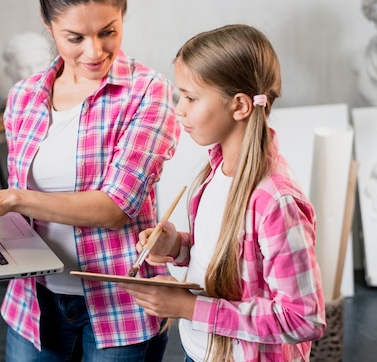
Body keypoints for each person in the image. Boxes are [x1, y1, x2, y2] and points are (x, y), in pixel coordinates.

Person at [0, 0, 181, 360]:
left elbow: (117, 207)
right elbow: (19, 214)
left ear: (123, 17)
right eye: (75, 37)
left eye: (108, 31)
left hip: (121, 307)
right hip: (34, 303)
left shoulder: (149, 92)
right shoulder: (25, 97)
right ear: (48, 25)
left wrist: (12, 198)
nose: (94, 52)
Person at [120, 24, 326, 361]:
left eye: (190, 97)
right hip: (200, 352)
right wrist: (177, 246)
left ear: (240, 106)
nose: (179, 109)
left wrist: (190, 307)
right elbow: (225, 260)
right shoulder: (214, 171)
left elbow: (303, 318)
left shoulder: (275, 201)